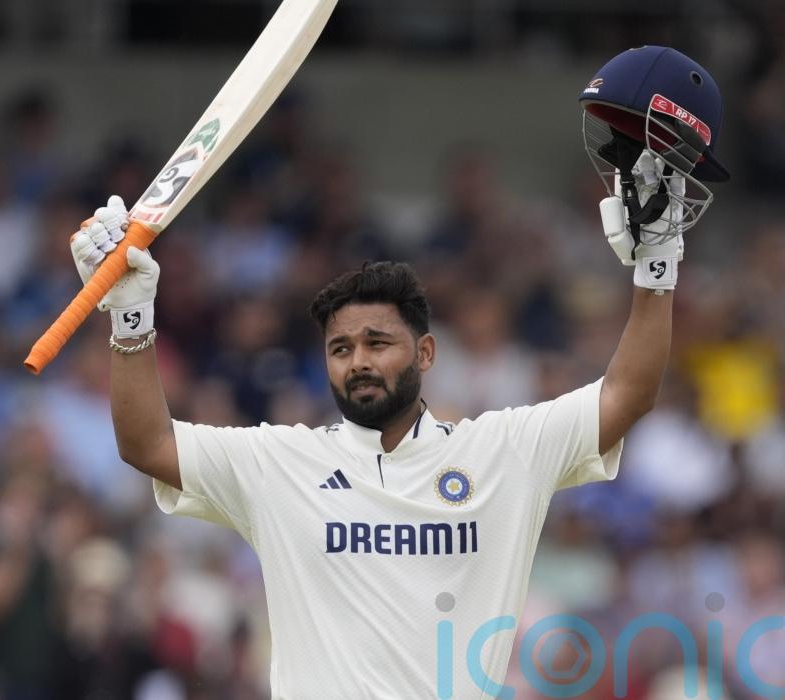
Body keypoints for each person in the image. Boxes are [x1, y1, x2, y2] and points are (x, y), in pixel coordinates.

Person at [68, 45, 726, 698]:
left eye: (377, 342)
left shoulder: (502, 452)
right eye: (340, 349)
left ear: (427, 353)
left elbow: (627, 393)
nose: (358, 360)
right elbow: (147, 443)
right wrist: (130, 316)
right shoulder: (279, 463)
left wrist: (657, 268)